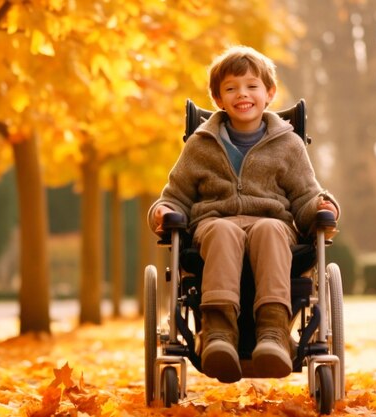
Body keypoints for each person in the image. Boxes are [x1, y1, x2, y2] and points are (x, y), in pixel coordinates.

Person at [147, 45, 340, 383]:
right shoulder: (200, 143)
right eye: (231, 88)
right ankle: (218, 334)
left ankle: (273, 334)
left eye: (252, 86)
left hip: (273, 227)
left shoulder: (288, 144)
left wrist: (322, 208)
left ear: (269, 93)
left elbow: (306, 195)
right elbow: (175, 196)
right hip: (213, 225)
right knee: (223, 231)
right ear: (218, 100)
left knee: (269, 229)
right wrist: (163, 211)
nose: (243, 95)